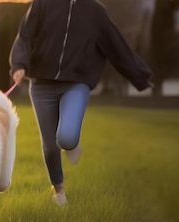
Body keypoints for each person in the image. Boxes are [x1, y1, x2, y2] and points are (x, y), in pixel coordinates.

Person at [9, 0, 153, 205]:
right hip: (41, 85)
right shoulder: (42, 4)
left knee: (66, 138)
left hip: (76, 83)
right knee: (50, 146)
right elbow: (24, 36)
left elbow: (116, 46)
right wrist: (19, 64)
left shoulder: (95, 11)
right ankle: (58, 190)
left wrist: (141, 77)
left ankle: (71, 142)